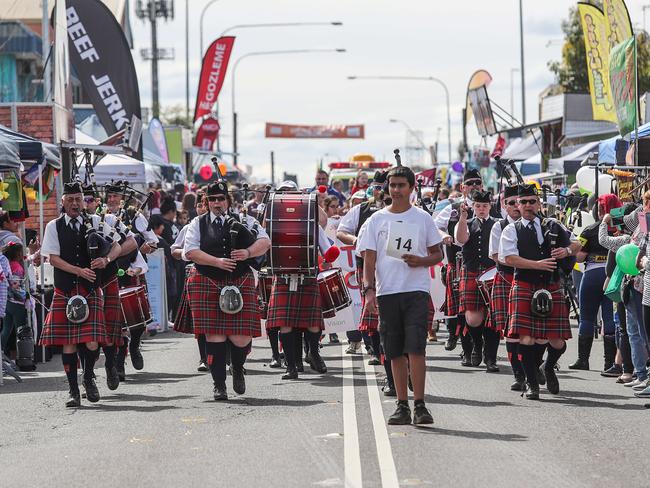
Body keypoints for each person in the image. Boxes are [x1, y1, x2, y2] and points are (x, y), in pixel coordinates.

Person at [358, 165, 443, 425]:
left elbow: (438, 254)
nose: (396, 190)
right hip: (388, 292)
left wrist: (421, 261)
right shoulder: (376, 220)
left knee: (416, 348)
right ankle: (402, 405)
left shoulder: (422, 218)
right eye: (392, 185)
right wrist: (369, 291)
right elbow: (368, 260)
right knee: (394, 351)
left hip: (416, 291)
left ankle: (420, 404)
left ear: (411, 188)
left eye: (401, 185)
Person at [183, 180, 271, 401]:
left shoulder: (244, 220)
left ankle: (238, 368)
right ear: (207, 202)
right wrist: (217, 262)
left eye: (220, 199)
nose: (216, 203)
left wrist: (248, 252)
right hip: (208, 280)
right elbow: (191, 251)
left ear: (228, 201)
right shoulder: (198, 223)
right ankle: (219, 385)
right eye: (212, 199)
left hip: (239, 280)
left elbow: (265, 241)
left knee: (241, 337)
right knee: (215, 336)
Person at [39, 182, 122, 407]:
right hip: (65, 289)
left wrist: (106, 259)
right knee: (69, 343)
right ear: (63, 202)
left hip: (90, 290)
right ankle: (73, 391)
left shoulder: (95, 222)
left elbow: (117, 246)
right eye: (71, 199)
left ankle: (87, 377)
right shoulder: (53, 226)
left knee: (92, 342)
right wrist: (79, 271)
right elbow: (53, 259)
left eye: (79, 199)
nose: (75, 203)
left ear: (83, 201)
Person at [499, 184, 581, 400]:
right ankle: (532, 384)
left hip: (551, 285)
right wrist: (538, 264)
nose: (527, 205)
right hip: (524, 284)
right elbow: (508, 258)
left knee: (557, 342)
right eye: (523, 202)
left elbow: (577, 243)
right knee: (526, 339)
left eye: (531, 201)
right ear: (517, 204)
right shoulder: (511, 229)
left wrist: (566, 250)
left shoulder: (553, 225)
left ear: (539, 203)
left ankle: (548, 367)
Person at [434, 169, 484, 358]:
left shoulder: (492, 206)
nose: (473, 186)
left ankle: (485, 351)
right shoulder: (452, 208)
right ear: (462, 188)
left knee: (486, 311)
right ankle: (467, 348)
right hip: (459, 265)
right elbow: (435, 227)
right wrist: (444, 235)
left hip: (487, 267)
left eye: (477, 182)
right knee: (463, 311)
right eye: (469, 183)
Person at [569, 194, 621, 372]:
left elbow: (579, 255)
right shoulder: (621, 229)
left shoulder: (590, 229)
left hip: (591, 274)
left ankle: (583, 360)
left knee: (586, 317)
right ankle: (610, 363)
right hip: (613, 276)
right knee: (609, 318)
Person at [454, 190, 498, 370]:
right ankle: (477, 346)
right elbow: (461, 239)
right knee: (473, 319)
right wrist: (463, 218)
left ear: (490, 206)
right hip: (471, 272)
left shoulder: (498, 224)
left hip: (493, 273)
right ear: (473, 206)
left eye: (485, 206)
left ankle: (491, 358)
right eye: (478, 206)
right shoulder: (466, 223)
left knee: (494, 317)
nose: (481, 209)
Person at [488, 185, 525, 389]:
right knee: (511, 332)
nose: (516, 207)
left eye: (519, 202)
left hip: (531, 278)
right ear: (504, 205)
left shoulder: (537, 224)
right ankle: (519, 374)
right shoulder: (499, 227)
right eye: (512, 203)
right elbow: (495, 256)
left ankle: (532, 366)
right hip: (507, 278)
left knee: (533, 332)